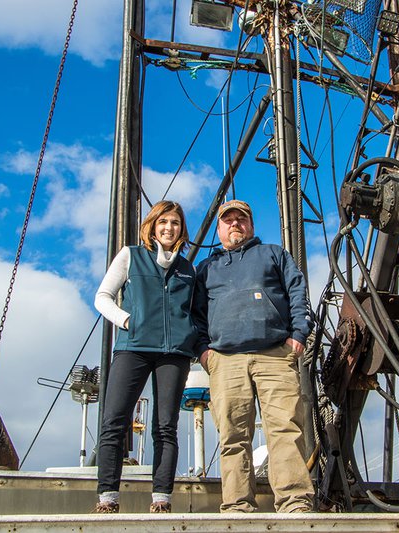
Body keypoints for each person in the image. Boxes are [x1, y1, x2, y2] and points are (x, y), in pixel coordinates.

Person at [193, 199, 315, 513]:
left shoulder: (274, 254)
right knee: (233, 435)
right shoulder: (206, 268)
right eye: (228, 220)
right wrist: (205, 352)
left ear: (251, 224)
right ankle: (236, 505)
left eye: (241, 219)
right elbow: (194, 314)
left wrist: (298, 335)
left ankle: (294, 502)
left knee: (285, 429)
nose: (235, 224)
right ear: (219, 228)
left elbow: (298, 292)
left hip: (275, 354)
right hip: (226, 360)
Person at [93, 200, 197, 514]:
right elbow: (102, 297)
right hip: (133, 347)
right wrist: (126, 320)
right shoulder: (130, 255)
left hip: (174, 352)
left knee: (166, 426)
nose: (169, 228)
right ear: (152, 225)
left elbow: (196, 311)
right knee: (114, 422)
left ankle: (162, 499)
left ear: (181, 229)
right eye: (163, 221)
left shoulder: (188, 269)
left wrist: (191, 336)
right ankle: (107, 499)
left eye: (175, 223)